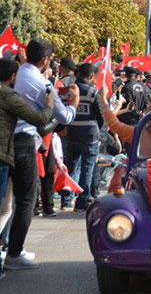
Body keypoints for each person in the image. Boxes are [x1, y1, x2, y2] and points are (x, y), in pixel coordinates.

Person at [7, 38, 78, 270]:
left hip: (5, 141)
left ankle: (9, 246)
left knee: (6, 202)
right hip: (23, 143)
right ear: (46, 60)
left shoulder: (15, 74)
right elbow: (63, 116)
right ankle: (14, 254)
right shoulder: (42, 84)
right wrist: (74, 103)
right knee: (26, 199)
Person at [60, 63, 105, 211]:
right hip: (89, 136)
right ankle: (82, 200)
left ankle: (66, 200)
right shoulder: (93, 91)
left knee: (70, 168)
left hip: (71, 134)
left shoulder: (68, 90)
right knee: (87, 169)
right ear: (91, 76)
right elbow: (100, 116)